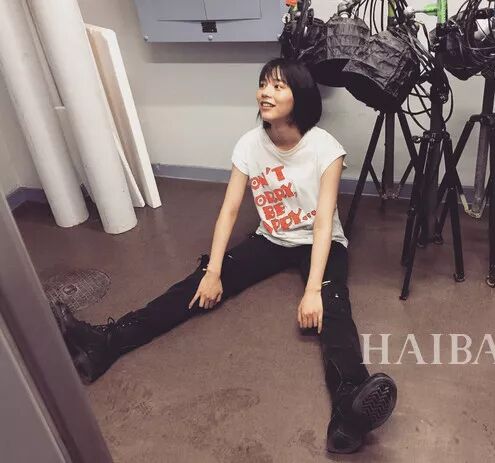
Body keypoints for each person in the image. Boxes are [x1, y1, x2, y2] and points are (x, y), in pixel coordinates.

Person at [53, 58, 397, 454]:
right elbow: (230, 210)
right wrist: (214, 270)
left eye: (278, 86)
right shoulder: (250, 144)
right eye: (263, 84)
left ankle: (349, 407)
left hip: (321, 241)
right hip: (272, 237)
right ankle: (107, 342)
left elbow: (322, 223)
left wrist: (313, 290)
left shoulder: (325, 149)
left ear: (300, 97)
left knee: (333, 307)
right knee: (197, 283)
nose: (265, 93)